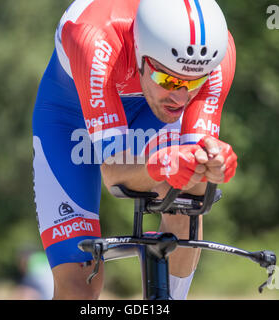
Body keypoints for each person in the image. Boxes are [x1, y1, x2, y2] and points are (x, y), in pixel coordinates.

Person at [32, 0, 237, 300]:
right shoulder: (94, 36)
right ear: (141, 53)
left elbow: (194, 172)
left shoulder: (216, 56)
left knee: (185, 196)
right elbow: (114, 174)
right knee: (79, 285)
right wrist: (163, 165)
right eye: (169, 79)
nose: (181, 97)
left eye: (194, 83)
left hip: (150, 113)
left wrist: (212, 165)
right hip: (69, 121)